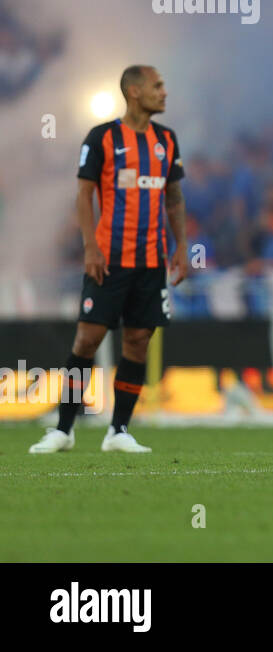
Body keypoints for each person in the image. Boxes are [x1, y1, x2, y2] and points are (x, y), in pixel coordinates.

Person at [30, 65, 188, 454]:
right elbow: (84, 195)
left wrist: (181, 246)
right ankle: (63, 429)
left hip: (151, 262)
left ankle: (118, 430)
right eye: (157, 86)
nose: (164, 92)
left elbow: (174, 198)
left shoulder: (167, 140)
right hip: (109, 259)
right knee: (88, 338)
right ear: (134, 92)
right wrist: (89, 247)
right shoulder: (102, 138)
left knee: (137, 342)